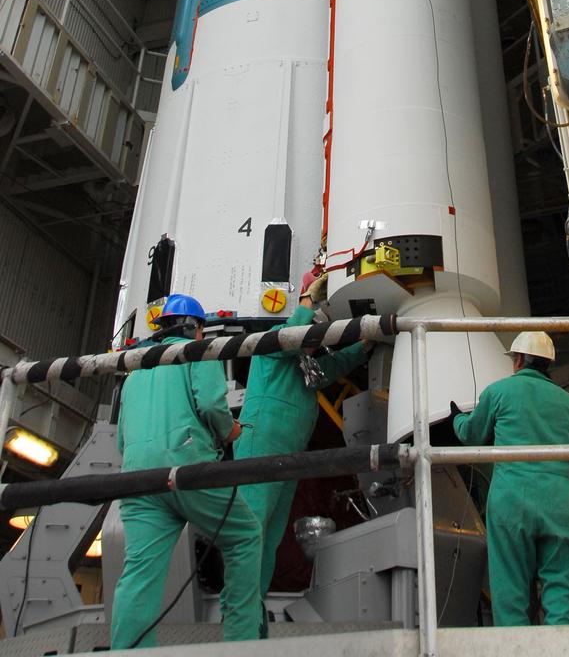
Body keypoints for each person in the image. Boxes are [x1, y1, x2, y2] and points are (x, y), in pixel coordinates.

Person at [110, 293, 262, 649]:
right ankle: (241, 644)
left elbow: (121, 439)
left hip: (137, 480)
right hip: (188, 468)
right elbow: (210, 403)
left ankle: (127, 652)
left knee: (139, 574)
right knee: (244, 537)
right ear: (197, 329)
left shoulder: (137, 370)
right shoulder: (196, 352)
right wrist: (231, 431)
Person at [234, 270, 373, 614]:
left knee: (270, 534)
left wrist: (366, 344)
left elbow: (332, 366)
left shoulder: (302, 363)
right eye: (312, 326)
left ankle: (253, 610)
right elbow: (290, 337)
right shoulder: (271, 344)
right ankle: (238, 613)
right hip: (261, 446)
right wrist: (309, 301)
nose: (314, 335)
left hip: (287, 453)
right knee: (251, 530)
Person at [451, 331, 569, 626]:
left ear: (518, 361)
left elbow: (471, 434)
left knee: (510, 591)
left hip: (510, 500)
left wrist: (456, 418)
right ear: (547, 364)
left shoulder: (498, 392)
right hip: (559, 501)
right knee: (562, 592)